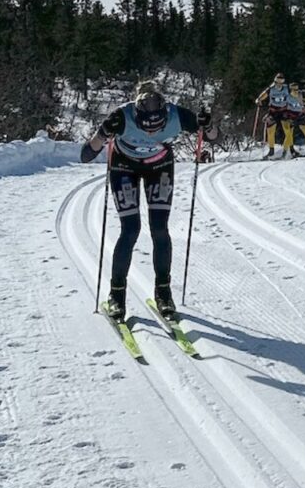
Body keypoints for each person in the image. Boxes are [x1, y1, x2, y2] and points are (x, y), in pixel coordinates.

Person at [81, 80, 215, 321]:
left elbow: (213, 137)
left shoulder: (177, 115)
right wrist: (103, 132)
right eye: (146, 128)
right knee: (130, 230)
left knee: (160, 229)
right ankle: (116, 295)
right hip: (124, 166)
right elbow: (86, 154)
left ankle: (164, 294)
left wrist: (208, 124)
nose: (151, 132)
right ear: (136, 112)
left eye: (157, 128)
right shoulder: (121, 116)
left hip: (160, 166)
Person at [254, 73, 292, 159]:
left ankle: (285, 151)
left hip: (284, 111)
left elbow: (294, 95)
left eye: (280, 83)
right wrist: (259, 100)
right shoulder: (271, 89)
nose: (278, 85)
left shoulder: (287, 88)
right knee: (270, 131)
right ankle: (271, 151)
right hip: (273, 111)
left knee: (288, 132)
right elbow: (263, 95)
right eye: (277, 83)